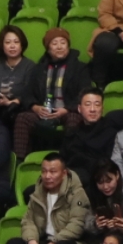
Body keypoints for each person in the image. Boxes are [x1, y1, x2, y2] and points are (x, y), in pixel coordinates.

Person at [15, 29, 93, 159]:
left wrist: (66, 109)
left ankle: (70, 159)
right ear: (48, 48)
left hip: (67, 110)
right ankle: (20, 161)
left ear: (68, 45)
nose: (59, 46)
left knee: (74, 119)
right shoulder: (39, 68)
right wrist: (35, 107)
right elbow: (27, 94)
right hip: (44, 111)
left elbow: (85, 94)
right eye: (54, 43)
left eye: (63, 42)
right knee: (22, 118)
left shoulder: (79, 68)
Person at [7, 152, 92, 244]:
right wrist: (32, 242)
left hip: (68, 242)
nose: (47, 176)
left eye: (53, 172)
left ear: (64, 173)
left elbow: (77, 225)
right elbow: (28, 221)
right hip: (44, 240)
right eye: (44, 171)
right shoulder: (38, 193)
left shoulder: (77, 193)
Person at [63, 90, 123, 188]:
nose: (92, 109)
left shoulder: (111, 133)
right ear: (79, 108)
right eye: (88, 104)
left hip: (98, 182)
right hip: (71, 179)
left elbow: (109, 166)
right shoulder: (72, 134)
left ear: (102, 108)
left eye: (97, 105)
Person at [0, 26, 42, 126]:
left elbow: (29, 93)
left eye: (16, 42)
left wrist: (11, 102)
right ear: (2, 45)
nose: (12, 46)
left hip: (19, 110)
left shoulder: (30, 66)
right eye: (8, 42)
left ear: (22, 45)